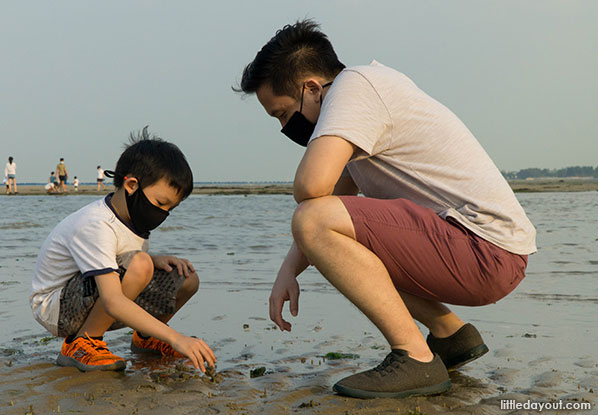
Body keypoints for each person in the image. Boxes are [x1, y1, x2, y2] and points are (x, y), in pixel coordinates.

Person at [235, 20, 536, 399]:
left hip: (485, 250)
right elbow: (330, 203)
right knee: (327, 227)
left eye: (281, 113)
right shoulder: (362, 107)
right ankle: (450, 334)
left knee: (311, 220)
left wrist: (305, 236)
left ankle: (416, 358)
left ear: (312, 88)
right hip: (486, 252)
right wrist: (287, 272)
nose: (284, 126)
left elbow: (309, 191)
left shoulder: (354, 88)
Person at [30, 128, 215, 372]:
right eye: (160, 203)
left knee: (186, 278)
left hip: (95, 294)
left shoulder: (132, 218)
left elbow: (117, 258)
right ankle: (82, 343)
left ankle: (146, 339)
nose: (164, 214)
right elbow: (113, 299)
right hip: (57, 307)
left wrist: (154, 259)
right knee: (140, 264)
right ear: (131, 184)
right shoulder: (97, 223)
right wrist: (176, 338)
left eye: (171, 208)